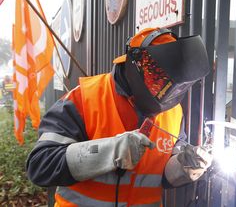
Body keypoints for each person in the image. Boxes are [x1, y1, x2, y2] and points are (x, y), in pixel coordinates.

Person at [26, 28, 213, 206]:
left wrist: (183, 168)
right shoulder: (84, 99)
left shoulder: (173, 112)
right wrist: (109, 151)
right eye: (158, 80)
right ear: (136, 66)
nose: (165, 90)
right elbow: (41, 165)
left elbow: (160, 176)